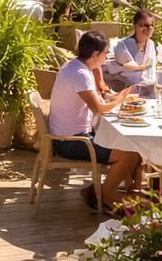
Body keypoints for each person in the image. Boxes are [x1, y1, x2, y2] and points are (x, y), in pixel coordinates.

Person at [48, 31, 141, 213]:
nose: (107, 58)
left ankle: (109, 191)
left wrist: (101, 77)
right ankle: (103, 195)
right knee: (132, 152)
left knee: (127, 141)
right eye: (106, 53)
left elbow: (97, 96)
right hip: (71, 142)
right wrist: (121, 99)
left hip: (69, 136)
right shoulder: (80, 74)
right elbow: (98, 108)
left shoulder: (73, 66)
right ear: (95, 54)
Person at [106, 10, 161, 90]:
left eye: (152, 25)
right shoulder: (123, 45)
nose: (149, 28)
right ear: (135, 26)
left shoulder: (151, 44)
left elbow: (150, 70)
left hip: (147, 86)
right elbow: (127, 68)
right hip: (125, 87)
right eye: (145, 25)